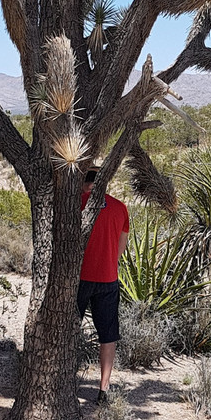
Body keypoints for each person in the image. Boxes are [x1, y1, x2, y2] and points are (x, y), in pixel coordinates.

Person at [78, 166, 130, 405]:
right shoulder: (120, 208)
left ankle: (64, 379)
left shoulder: (75, 203)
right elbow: (121, 247)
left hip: (78, 278)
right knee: (107, 336)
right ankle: (103, 388)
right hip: (108, 278)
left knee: (68, 330)